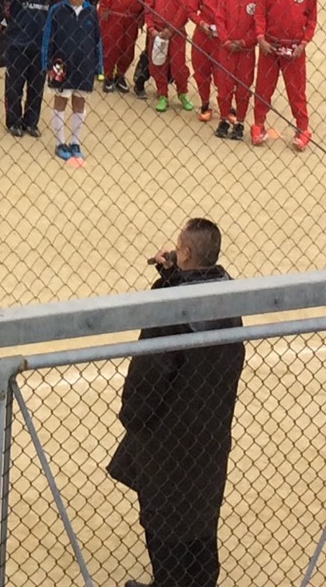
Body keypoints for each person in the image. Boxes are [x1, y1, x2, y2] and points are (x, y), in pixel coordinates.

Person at [108, 219, 245, 587]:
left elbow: (147, 378)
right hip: (211, 432)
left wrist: (133, 419)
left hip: (167, 439)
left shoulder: (170, 313)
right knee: (201, 516)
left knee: (164, 521)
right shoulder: (229, 297)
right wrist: (173, 277)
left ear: (184, 251)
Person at [252, 0, 317, 151]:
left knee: (296, 91)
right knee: (263, 87)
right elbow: (259, 13)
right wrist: (261, 38)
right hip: (270, 47)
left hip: (294, 49)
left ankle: (303, 128)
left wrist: (304, 43)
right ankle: (259, 124)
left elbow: (311, 19)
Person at [42, 0, 102, 160]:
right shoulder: (56, 10)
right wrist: (46, 63)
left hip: (85, 64)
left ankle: (75, 142)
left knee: (80, 101)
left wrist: (99, 67)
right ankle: (60, 142)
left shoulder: (92, 12)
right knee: (61, 99)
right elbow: (48, 36)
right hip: (60, 64)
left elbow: (98, 41)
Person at [144, 0, 199, 113]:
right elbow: (149, 6)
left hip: (175, 34)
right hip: (158, 33)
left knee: (178, 66)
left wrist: (172, 29)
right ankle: (162, 95)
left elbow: (186, 8)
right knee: (157, 64)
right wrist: (152, 28)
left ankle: (182, 93)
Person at [4, 0, 53, 138]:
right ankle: (13, 121)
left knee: (36, 87)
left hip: (40, 48)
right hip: (17, 46)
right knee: (14, 85)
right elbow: (7, 12)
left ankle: (31, 123)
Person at [214, 0, 257, 142]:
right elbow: (219, 20)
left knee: (243, 88)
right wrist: (226, 40)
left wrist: (244, 41)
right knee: (224, 87)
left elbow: (258, 25)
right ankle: (224, 119)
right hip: (227, 50)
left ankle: (239, 122)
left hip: (245, 52)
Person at [100, 0, 146, 92]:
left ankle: (120, 75)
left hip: (131, 17)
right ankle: (108, 76)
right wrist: (105, 6)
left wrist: (142, 9)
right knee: (112, 46)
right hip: (115, 15)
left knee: (128, 49)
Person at [190, 0, 231, 121]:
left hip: (223, 40)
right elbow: (191, 10)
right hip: (203, 37)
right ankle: (205, 104)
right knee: (201, 72)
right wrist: (201, 23)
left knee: (223, 76)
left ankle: (226, 108)